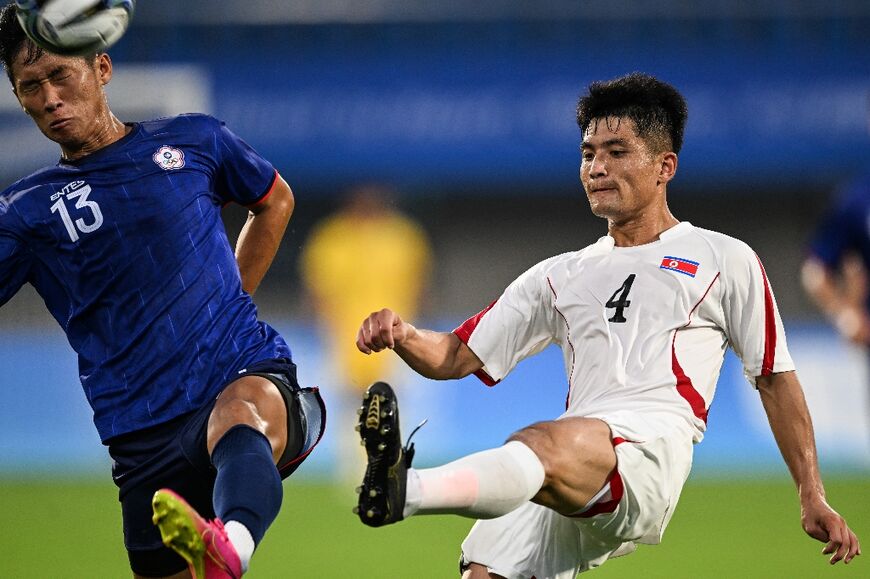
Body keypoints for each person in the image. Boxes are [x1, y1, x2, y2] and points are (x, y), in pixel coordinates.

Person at [354, 73, 861, 578]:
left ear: (665, 166)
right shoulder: (560, 275)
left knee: (536, 443)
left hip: (647, 451)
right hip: (571, 460)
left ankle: (406, 490)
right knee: (484, 569)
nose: (596, 167)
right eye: (588, 153)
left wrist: (810, 494)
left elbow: (773, 376)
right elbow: (456, 355)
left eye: (616, 152)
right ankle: (412, 491)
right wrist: (404, 335)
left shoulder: (723, 258)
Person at [0, 5, 324, 579]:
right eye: (30, 86)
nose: (49, 97)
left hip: (240, 370)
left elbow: (274, 199)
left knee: (240, 412)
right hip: (142, 437)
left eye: (60, 76)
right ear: (17, 97)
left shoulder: (194, 140)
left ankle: (234, 547)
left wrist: (230, 299)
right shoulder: (26, 212)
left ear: (102, 68)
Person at [300, 183, 431, 480]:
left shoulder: (403, 235)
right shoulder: (332, 236)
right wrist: (318, 322)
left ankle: (392, 464)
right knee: (351, 401)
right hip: (345, 332)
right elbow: (317, 289)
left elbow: (419, 283)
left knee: (389, 399)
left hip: (396, 333)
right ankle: (354, 471)